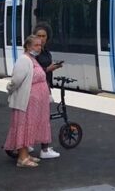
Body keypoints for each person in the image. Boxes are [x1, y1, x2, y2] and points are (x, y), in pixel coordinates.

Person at [3, 35, 51, 168]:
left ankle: (25, 155)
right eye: (36, 45)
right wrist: (9, 89)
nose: (39, 48)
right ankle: (22, 158)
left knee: (29, 126)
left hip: (34, 103)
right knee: (24, 127)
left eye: (40, 45)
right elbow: (16, 80)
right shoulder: (24, 60)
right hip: (26, 102)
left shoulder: (32, 59)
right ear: (28, 46)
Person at [32, 24, 63, 159]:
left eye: (44, 36)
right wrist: (49, 69)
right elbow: (33, 73)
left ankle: (28, 144)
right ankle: (44, 149)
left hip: (45, 87)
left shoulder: (45, 52)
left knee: (39, 118)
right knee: (42, 119)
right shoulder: (33, 53)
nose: (41, 39)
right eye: (38, 36)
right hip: (37, 90)